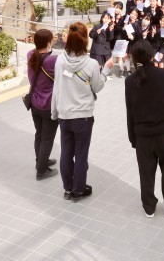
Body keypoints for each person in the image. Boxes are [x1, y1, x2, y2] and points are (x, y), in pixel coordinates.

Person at [51, 22, 114, 202]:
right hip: (83, 117)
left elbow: (56, 88)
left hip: (64, 115)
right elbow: (97, 87)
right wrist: (106, 69)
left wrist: (54, 112)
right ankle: (78, 189)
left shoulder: (60, 60)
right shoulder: (91, 64)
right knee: (81, 154)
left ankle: (68, 188)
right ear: (86, 40)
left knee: (66, 153)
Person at [124, 40, 164, 219]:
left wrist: (132, 138)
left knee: (146, 173)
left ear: (134, 58)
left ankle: (149, 207)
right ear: (152, 55)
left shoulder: (130, 81)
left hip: (143, 135)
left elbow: (130, 112)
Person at [27, 29, 59, 180]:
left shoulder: (30, 55)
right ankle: (41, 170)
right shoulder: (52, 61)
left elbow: (40, 51)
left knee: (39, 134)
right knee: (47, 138)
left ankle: (40, 161)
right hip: (48, 105)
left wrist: (46, 42)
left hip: (34, 103)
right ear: (49, 42)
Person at [89, 13, 115, 78]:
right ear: (102, 19)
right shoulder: (97, 26)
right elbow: (91, 35)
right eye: (105, 18)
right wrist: (96, 33)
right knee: (98, 64)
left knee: (107, 63)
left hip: (106, 48)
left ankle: (105, 75)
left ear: (110, 20)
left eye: (108, 18)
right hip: (98, 48)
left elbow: (110, 38)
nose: (106, 20)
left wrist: (110, 31)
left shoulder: (110, 27)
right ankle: (97, 76)